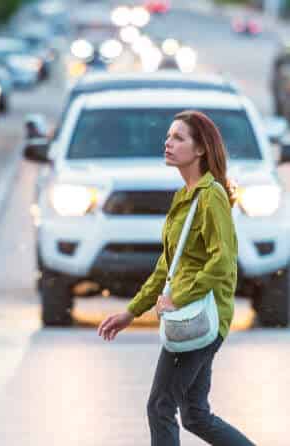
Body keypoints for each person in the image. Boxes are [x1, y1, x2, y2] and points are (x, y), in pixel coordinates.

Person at [98, 110, 255, 445]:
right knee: (195, 414)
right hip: (187, 314)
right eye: (169, 136)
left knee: (160, 406)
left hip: (197, 317)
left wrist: (180, 298)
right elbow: (167, 267)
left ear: (200, 149)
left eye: (178, 138)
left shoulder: (211, 196)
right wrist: (132, 311)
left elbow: (224, 260)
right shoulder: (186, 195)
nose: (168, 143)